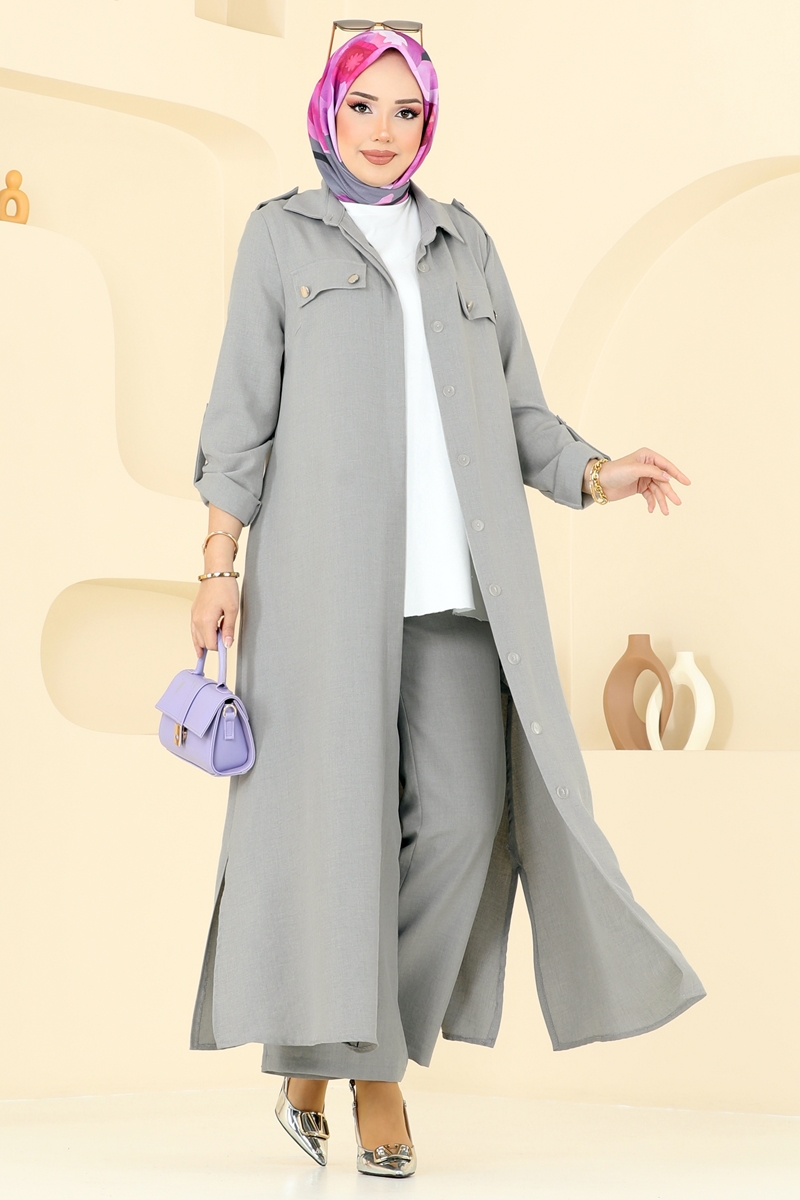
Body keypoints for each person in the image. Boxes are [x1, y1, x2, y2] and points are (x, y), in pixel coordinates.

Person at [189, 24, 705, 1179]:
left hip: (462, 603)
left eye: (405, 112)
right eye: (362, 107)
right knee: (336, 844)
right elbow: (238, 416)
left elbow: (519, 412)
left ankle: (323, 1060)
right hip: (322, 602)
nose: (382, 131)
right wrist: (219, 563)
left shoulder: (463, 245)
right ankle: (374, 1080)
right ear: (328, 110)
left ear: (428, 124)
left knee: (469, 823)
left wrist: (597, 470)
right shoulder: (279, 237)